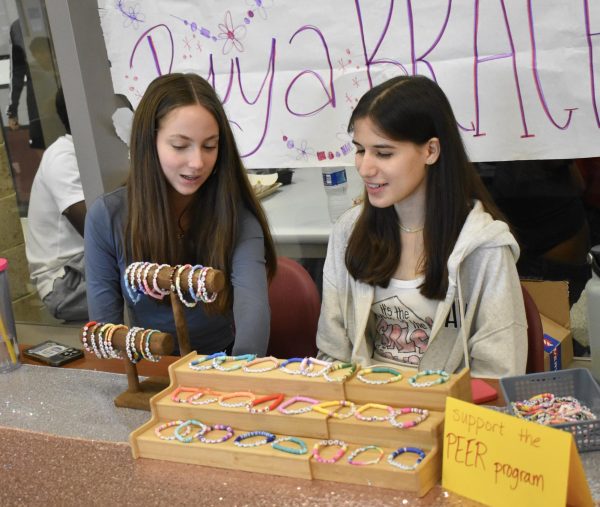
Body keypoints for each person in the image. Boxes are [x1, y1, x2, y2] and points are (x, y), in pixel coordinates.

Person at [316, 75, 527, 378]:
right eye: (360, 150)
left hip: (452, 415)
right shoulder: (349, 232)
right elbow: (331, 353)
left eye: (384, 153)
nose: (365, 167)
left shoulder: (485, 248)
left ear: (431, 151)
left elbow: (498, 375)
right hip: (365, 408)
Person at [85, 72, 276, 355]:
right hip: (151, 369)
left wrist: (237, 378)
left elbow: (253, 315)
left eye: (210, 146)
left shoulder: (236, 216)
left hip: (221, 365)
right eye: (179, 146)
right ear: (148, 142)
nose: (197, 162)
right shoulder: (107, 217)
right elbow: (105, 333)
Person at [26, 87, 88, 321]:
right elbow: (97, 232)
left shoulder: (94, 153)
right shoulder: (63, 156)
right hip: (65, 281)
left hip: (87, 267)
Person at [6, 20, 44, 149]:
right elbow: (17, 72)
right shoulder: (17, 27)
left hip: (65, 86)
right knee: (42, 143)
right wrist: (12, 111)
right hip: (38, 96)